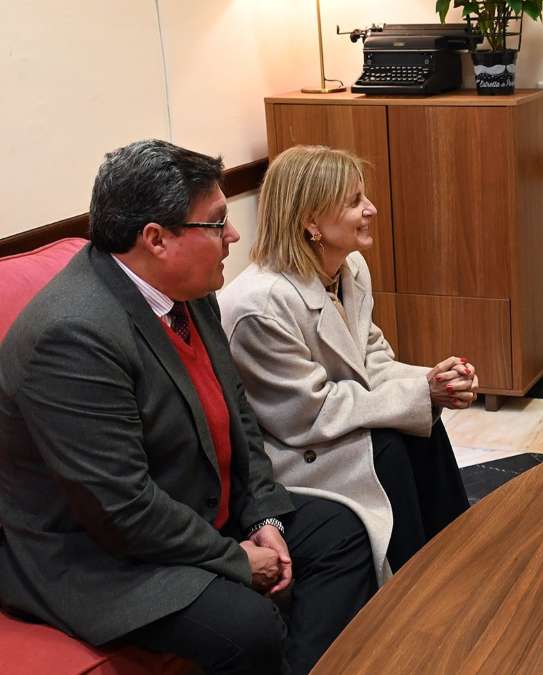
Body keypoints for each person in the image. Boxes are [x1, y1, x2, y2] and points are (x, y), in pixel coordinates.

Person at [0, 140, 377, 674]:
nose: (234, 235)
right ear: (156, 239)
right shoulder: (73, 335)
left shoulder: (190, 287)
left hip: (193, 508)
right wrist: (236, 559)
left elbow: (238, 415)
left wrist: (263, 514)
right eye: (217, 222)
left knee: (341, 533)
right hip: (103, 558)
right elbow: (121, 508)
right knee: (247, 625)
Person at [219, 145, 472, 586]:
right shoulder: (259, 306)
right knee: (387, 446)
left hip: (327, 423)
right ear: (311, 222)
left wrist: (433, 381)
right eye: (355, 202)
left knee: (422, 426)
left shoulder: (349, 267)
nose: (371, 209)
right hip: (289, 450)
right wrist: (418, 394)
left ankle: (457, 560)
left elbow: (371, 355)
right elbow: (309, 414)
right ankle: (412, 589)